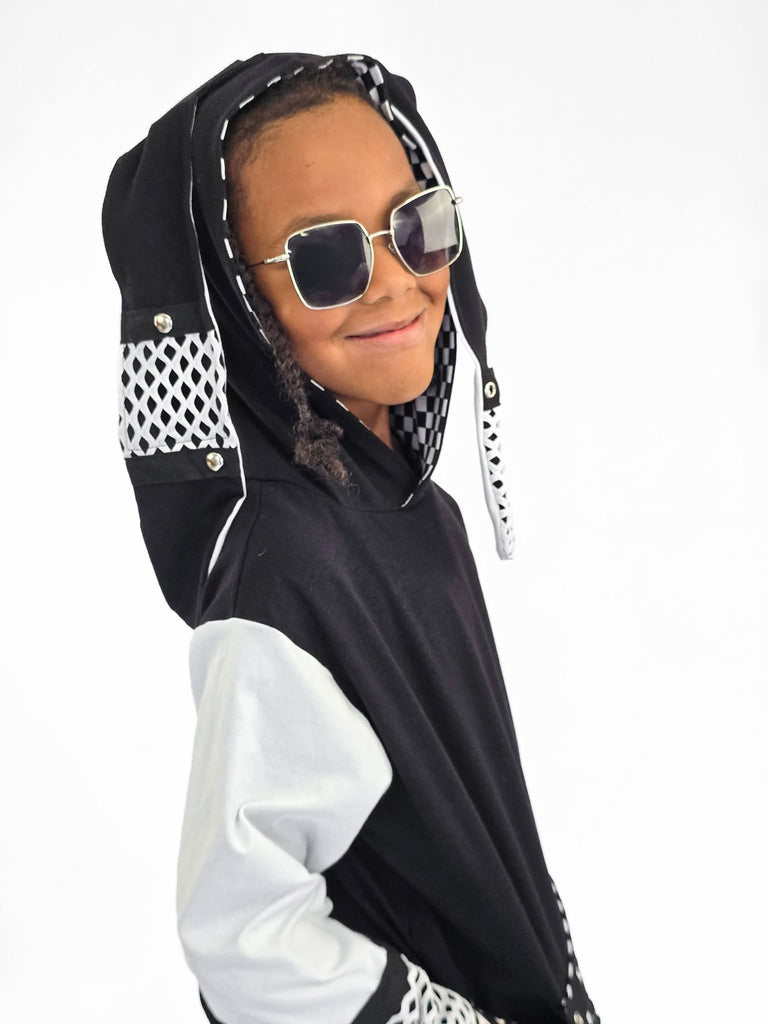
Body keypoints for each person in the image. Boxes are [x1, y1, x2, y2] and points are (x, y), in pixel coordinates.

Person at [101, 50, 601, 1024]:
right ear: (237, 302)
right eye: (327, 257)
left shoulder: (416, 509)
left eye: (419, 225)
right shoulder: (283, 573)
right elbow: (241, 934)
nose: (398, 282)